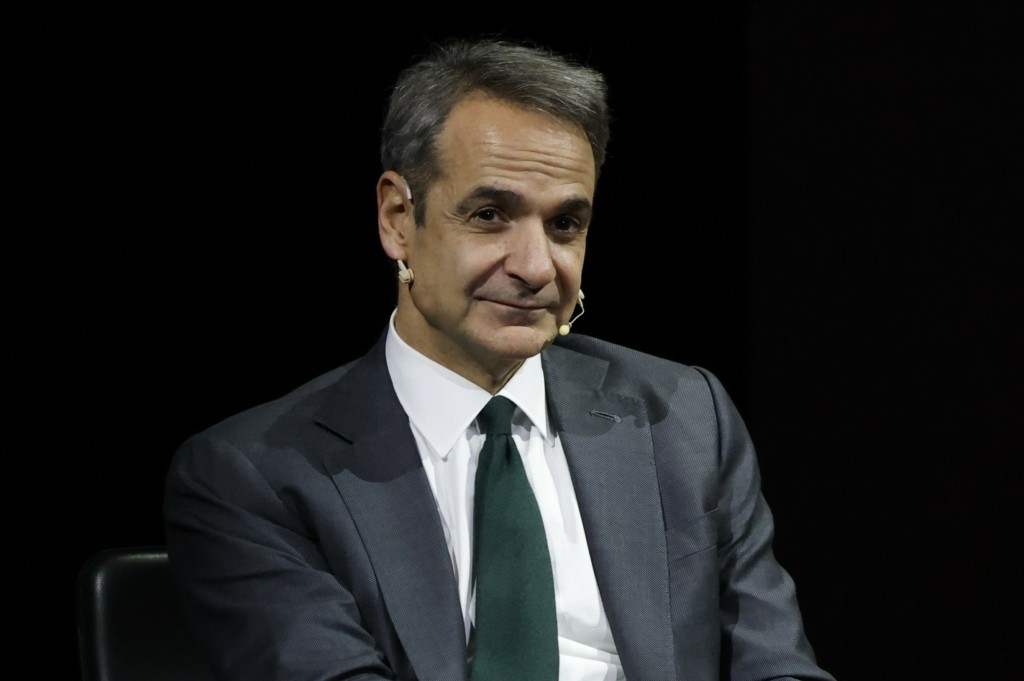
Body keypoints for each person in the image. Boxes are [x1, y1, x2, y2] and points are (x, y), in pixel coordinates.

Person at [164, 37, 835, 681]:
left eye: (564, 225)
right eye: (489, 215)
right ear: (397, 218)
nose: (536, 267)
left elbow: (776, 663)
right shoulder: (254, 476)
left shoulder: (684, 417)